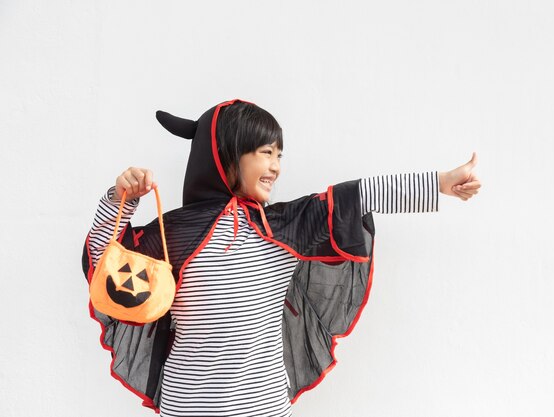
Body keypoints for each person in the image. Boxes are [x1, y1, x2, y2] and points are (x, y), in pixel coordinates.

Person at [82, 98, 481, 417]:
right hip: (187, 405)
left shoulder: (284, 225)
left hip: (265, 407)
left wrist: (440, 184)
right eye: (265, 152)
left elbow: (358, 195)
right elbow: (104, 264)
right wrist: (120, 200)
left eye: (279, 155)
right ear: (224, 154)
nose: (275, 166)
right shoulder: (174, 233)